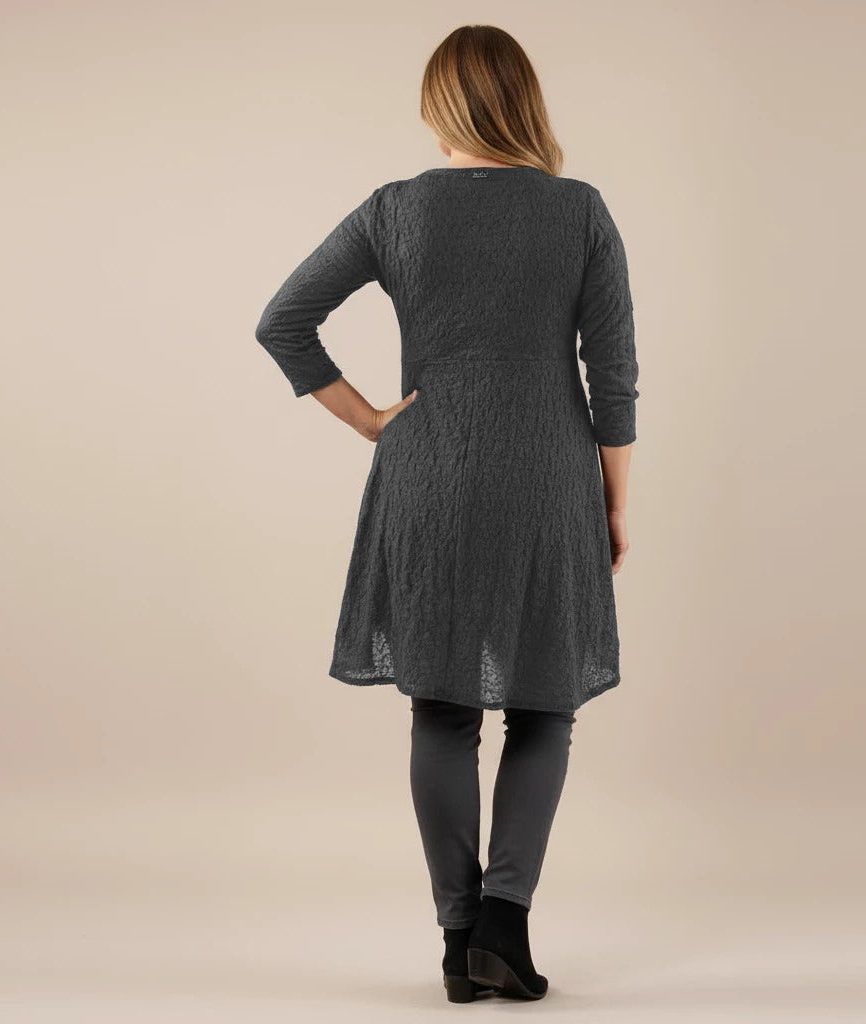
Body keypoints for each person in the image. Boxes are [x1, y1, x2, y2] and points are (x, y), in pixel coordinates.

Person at [254, 24, 638, 1003]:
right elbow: (614, 376)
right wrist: (613, 500)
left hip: (428, 475)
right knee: (543, 703)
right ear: (525, 104)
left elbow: (282, 321)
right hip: (547, 477)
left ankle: (459, 937)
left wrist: (372, 422)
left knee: (442, 705)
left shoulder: (396, 210)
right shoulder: (578, 211)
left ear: (440, 107)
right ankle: (504, 922)